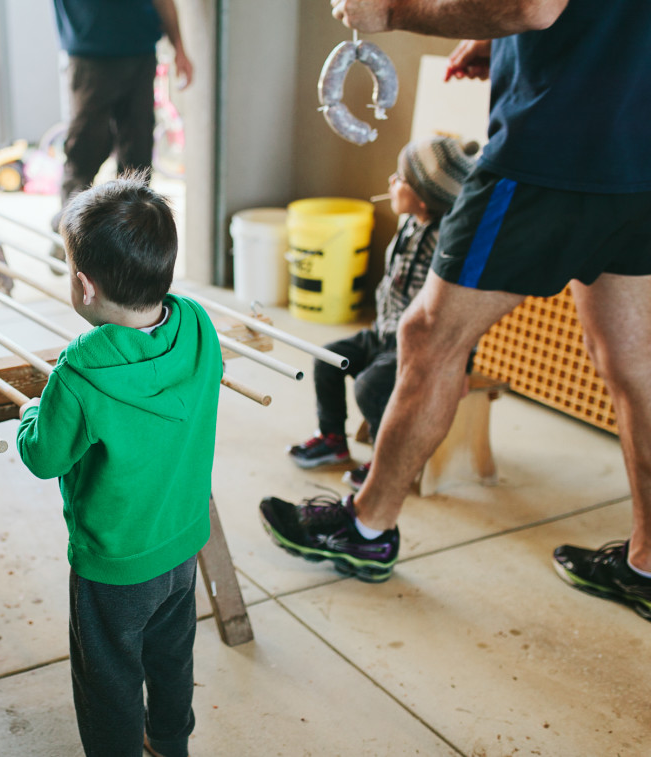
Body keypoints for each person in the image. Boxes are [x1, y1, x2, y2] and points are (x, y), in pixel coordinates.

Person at [261, 0, 651, 619]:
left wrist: (390, 10)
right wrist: (501, 44)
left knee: (428, 335)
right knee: (635, 368)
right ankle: (647, 565)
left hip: (553, 153)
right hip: (638, 153)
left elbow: (528, 5)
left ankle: (365, 529)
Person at [17, 174, 222, 756]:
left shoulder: (80, 374)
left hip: (114, 566)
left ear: (83, 286)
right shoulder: (197, 326)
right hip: (183, 544)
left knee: (108, 680)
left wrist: (34, 410)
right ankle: (169, 744)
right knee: (170, 654)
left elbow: (42, 455)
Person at [288, 136, 479, 493]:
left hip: (421, 350)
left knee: (370, 387)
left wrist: (462, 364)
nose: (391, 182)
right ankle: (332, 438)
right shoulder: (410, 222)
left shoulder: (449, 243)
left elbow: (464, 309)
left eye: (401, 179)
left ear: (423, 197)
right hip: (382, 333)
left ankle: (387, 459)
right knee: (327, 358)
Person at [48, 0, 193, 240]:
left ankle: (131, 240)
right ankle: (68, 236)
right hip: (89, 52)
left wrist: (179, 47)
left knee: (137, 156)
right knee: (85, 150)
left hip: (140, 50)